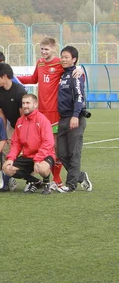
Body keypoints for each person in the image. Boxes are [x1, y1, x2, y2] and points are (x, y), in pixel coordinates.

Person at [17, 37, 83, 191]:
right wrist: (15, 79)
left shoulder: (60, 63)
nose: (44, 52)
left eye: (46, 49)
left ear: (53, 49)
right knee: (43, 145)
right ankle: (67, 177)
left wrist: (80, 68)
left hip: (55, 112)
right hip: (40, 111)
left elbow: (72, 69)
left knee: (53, 146)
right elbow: (33, 79)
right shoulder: (40, 62)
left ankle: (57, 179)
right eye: (41, 49)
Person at [2, 94, 56, 194]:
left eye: (28, 103)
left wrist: (38, 159)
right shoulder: (20, 121)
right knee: (7, 168)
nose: (25, 106)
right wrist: (11, 158)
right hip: (28, 156)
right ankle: (35, 181)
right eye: (23, 103)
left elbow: (48, 142)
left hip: (44, 155)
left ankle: (46, 183)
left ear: (35, 105)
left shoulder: (43, 120)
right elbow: (16, 143)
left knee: (42, 168)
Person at [57, 46, 92, 193]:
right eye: (62, 57)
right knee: (60, 152)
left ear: (74, 59)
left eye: (66, 57)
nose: (63, 59)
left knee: (74, 153)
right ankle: (80, 176)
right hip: (63, 119)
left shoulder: (75, 75)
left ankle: (71, 185)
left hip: (74, 118)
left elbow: (79, 97)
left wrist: (75, 116)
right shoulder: (63, 74)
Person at [0, 62, 27, 134]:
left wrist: (21, 133)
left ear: (4, 76)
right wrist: (3, 133)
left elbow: (23, 115)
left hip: (24, 126)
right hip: (11, 126)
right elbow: (1, 114)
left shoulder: (19, 91)